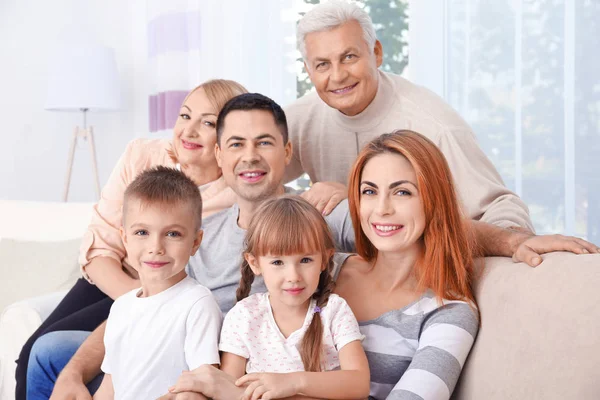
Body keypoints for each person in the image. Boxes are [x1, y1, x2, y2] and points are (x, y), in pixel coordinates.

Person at [28, 93, 355, 400]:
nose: (250, 156)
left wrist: (347, 189)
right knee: (50, 352)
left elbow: (389, 229)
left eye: (264, 143)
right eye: (236, 144)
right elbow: (145, 310)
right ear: (219, 155)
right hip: (180, 357)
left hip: (224, 373)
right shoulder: (204, 234)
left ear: (286, 151)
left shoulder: (317, 213)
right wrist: (73, 372)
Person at [15, 79, 247, 400]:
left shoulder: (236, 193)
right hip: (114, 274)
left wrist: (155, 304)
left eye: (207, 123)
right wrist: (138, 306)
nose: (189, 131)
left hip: (166, 283)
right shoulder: (142, 155)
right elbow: (101, 244)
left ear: (229, 138)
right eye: (184, 116)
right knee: (34, 351)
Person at [285, 0, 532, 233]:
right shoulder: (298, 119)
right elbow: (253, 176)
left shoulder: (436, 126)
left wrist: (513, 244)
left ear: (377, 53)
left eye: (349, 57)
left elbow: (501, 208)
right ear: (308, 70)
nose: (338, 76)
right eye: (322, 65)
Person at [332, 130, 479, 399]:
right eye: (369, 191)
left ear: (434, 201)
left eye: (402, 192)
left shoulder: (448, 312)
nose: (382, 209)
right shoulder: (322, 270)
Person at [198, 196, 369, 400]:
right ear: (254, 262)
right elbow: (229, 390)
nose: (293, 277)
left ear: (324, 259)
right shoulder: (244, 316)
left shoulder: (334, 311)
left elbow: (359, 384)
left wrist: (292, 382)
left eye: (305, 260)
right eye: (278, 262)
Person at [93, 166, 222, 399]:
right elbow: (109, 387)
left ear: (195, 242)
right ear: (125, 238)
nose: (156, 247)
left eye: (172, 234)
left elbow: (203, 385)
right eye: (142, 232)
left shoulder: (197, 304)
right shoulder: (121, 307)